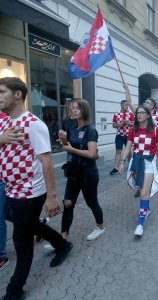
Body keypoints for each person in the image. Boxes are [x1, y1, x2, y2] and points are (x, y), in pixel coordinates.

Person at [0, 77, 72, 300]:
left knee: (22, 241)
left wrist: (52, 197)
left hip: (30, 192)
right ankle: (62, 244)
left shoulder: (34, 124)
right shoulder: (3, 122)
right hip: (10, 188)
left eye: (2, 92)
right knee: (29, 225)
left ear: (18, 94)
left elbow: (47, 162)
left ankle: (14, 290)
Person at [57, 99, 105, 242]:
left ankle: (100, 227)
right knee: (67, 203)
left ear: (84, 110)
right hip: (74, 172)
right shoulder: (72, 128)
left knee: (91, 202)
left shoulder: (91, 130)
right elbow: (69, 147)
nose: (74, 110)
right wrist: (64, 140)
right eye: (73, 108)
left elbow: (91, 154)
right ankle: (62, 239)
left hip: (88, 173)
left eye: (78, 108)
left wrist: (70, 148)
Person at [118, 105, 158, 236]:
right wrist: (122, 161)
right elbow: (128, 146)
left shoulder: (156, 131)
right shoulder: (133, 130)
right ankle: (147, 209)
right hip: (136, 163)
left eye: (142, 113)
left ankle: (140, 224)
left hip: (149, 163)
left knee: (144, 192)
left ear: (148, 115)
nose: (139, 115)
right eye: (138, 113)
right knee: (140, 188)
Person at [110, 100, 134, 175]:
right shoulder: (116, 114)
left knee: (129, 151)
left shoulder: (130, 114)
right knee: (118, 151)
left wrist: (127, 123)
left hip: (128, 135)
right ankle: (116, 167)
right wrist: (121, 124)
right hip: (119, 135)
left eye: (128, 105)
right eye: (126, 105)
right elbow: (114, 125)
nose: (127, 106)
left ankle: (131, 165)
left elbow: (133, 124)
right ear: (121, 105)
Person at [0, 109, 9, 271]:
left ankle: (2, 255)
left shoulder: (4, 119)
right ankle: (38, 226)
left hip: (2, 174)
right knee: (9, 213)